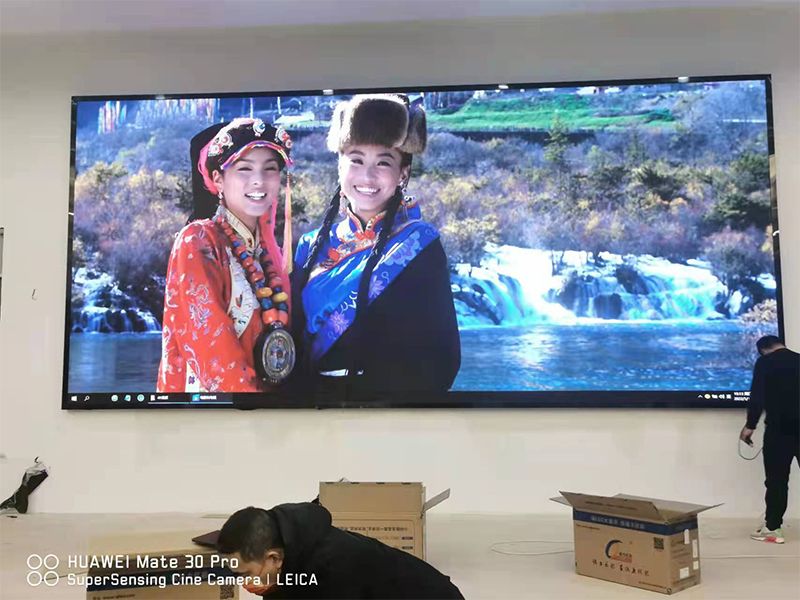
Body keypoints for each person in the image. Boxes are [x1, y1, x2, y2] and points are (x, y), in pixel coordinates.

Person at [292, 94, 461, 398]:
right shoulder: (311, 244)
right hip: (315, 409)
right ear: (340, 166)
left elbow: (442, 357)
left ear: (402, 174)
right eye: (356, 160)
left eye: (383, 162)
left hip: (385, 410)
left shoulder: (419, 245)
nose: (367, 176)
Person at [157, 118, 296, 393]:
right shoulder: (199, 241)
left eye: (270, 169)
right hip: (217, 412)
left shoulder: (268, 254)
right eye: (244, 169)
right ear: (218, 179)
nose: (259, 180)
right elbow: (216, 359)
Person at [216, 503, 464, 599]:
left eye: (247, 574)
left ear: (273, 558)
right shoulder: (287, 541)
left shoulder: (333, 565)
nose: (244, 582)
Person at [739, 335, 799, 544]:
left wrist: (750, 426)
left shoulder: (765, 362)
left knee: (777, 481)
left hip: (778, 432)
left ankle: (773, 529)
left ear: (763, 350)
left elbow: (757, 397)